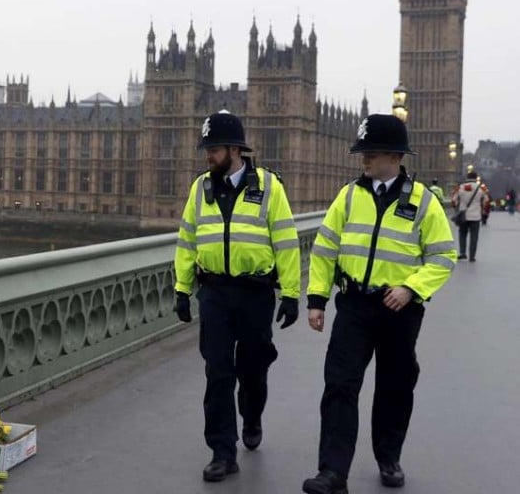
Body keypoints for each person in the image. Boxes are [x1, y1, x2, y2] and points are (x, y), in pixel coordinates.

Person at [302, 114, 455, 494]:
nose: (362, 159)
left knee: (395, 386)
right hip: (353, 304)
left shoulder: (423, 201)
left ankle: (388, 456)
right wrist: (317, 299)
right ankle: (333, 472)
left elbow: (443, 257)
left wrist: (412, 289)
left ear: (392, 155)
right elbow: (324, 250)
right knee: (339, 386)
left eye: (368, 152)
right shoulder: (349, 195)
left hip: (399, 308)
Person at [174, 111, 301, 482]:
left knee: (254, 368)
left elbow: (287, 242)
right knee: (217, 372)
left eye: (213, 149)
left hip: (255, 293)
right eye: (206, 149)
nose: (207, 156)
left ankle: (253, 414)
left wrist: (291, 293)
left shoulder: (269, 187)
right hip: (213, 291)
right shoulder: (201, 188)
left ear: (235, 149)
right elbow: (187, 241)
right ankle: (222, 451)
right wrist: (182, 289)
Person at [450, 170, 489, 261]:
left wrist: (457, 208)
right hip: (475, 216)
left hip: (463, 215)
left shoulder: (460, 187)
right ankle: (472, 256)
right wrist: (483, 211)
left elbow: (453, 200)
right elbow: (486, 201)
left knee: (462, 234)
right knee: (474, 237)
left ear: (467, 177)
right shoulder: (481, 188)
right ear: (476, 178)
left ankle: (463, 253)